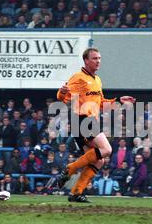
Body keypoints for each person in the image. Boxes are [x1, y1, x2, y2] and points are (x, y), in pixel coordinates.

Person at [56, 48, 135, 203]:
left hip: (88, 121)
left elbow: (101, 104)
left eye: (99, 58)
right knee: (107, 149)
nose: (98, 61)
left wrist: (119, 101)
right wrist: (61, 91)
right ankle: (70, 169)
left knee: (99, 161)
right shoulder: (78, 77)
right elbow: (62, 96)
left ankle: (76, 193)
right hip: (82, 119)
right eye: (94, 58)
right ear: (86, 60)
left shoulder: (97, 80)